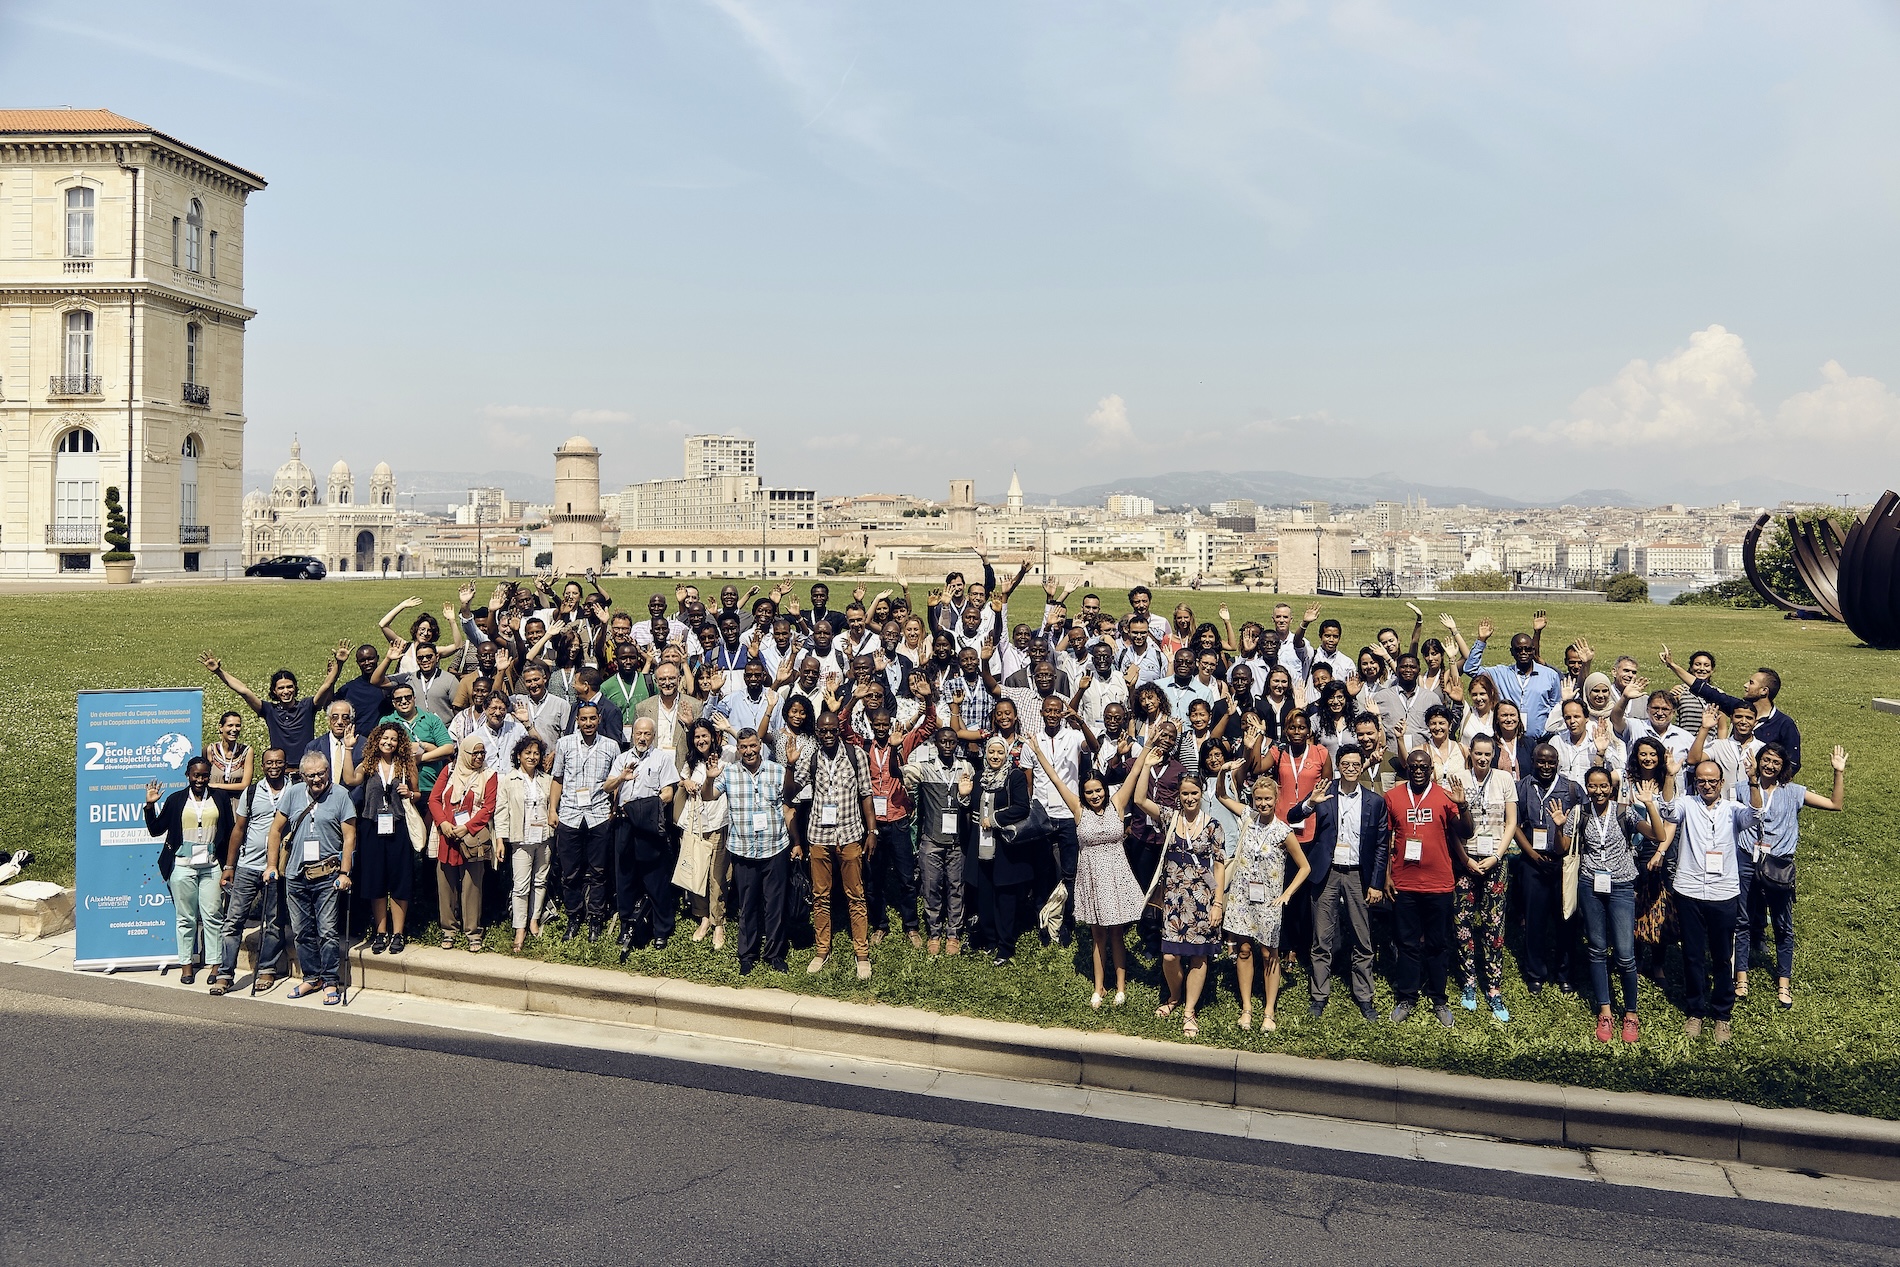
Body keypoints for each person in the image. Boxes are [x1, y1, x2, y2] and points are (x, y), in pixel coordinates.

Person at [1639, 760, 1758, 1043]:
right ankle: (1695, 1011)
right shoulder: (1687, 804)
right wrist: (1669, 775)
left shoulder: (1733, 810)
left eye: (1712, 781)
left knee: (1720, 956)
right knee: (1692, 955)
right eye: (1702, 781)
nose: (1707, 786)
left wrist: (1753, 781)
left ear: (1721, 783)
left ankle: (1722, 1015)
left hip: (1723, 893)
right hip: (1689, 890)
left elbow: (1754, 815)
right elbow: (1668, 810)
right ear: (1696, 783)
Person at [1029, 732, 1148, 1008]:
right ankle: (1099, 987)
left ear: (1105, 789)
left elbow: (1134, 774)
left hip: (1116, 874)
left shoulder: (1117, 804)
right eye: (1090, 791)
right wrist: (1038, 752)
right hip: (1092, 878)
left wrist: (1148, 744)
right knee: (1098, 936)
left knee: (1117, 934)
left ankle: (1120, 987)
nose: (1095, 795)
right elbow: (1057, 779)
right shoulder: (1078, 809)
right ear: (1083, 793)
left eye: (1099, 790)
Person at [1287, 744, 1387, 1022]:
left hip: (1358, 875)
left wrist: (1376, 883)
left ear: (1361, 766)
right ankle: (1319, 995)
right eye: (1346, 764)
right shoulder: (1325, 792)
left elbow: (1381, 845)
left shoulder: (1374, 801)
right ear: (1339, 765)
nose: (1351, 768)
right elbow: (1293, 817)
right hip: (1327, 872)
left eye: (1356, 764)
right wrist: (1310, 803)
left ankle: (1364, 997)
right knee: (1322, 938)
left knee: (1363, 938)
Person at [1746, 743, 1846, 1009]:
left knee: (1783, 927)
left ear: (1783, 767)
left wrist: (1838, 772)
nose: (1769, 765)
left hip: (1779, 866)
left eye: (1775, 762)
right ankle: (1740, 977)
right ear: (1757, 761)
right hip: (1747, 862)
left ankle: (1784, 983)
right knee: (1742, 921)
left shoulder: (1793, 792)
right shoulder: (1743, 788)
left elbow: (1835, 805)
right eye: (1765, 760)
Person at [1550, 766, 1644, 1043]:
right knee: (1597, 949)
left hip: (1622, 886)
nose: (1599, 791)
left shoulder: (1625, 811)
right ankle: (1605, 1011)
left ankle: (1631, 1013)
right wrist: (1558, 827)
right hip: (1590, 884)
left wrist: (1649, 805)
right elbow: (1562, 848)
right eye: (1593, 786)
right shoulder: (1579, 812)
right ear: (1586, 787)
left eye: (1603, 786)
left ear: (1611, 788)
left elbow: (1658, 834)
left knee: (1625, 954)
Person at [1134, 762, 1226, 1038]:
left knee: (1199, 957)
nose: (1189, 798)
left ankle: (1189, 1010)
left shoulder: (1213, 826)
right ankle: (1174, 996)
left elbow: (1219, 866)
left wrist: (1218, 903)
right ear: (1179, 795)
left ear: (1202, 793)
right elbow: (1139, 799)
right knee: (1171, 955)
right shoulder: (1170, 818)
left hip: (1202, 901)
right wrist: (1146, 764)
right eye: (1185, 793)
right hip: (1173, 901)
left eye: (1194, 793)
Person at [1383, 748, 1472, 1026]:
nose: (1418, 770)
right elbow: (1385, 840)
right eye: (1413, 766)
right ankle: (1407, 997)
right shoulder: (1393, 797)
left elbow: (1466, 832)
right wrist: (1386, 875)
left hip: (1439, 883)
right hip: (1404, 883)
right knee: (1407, 943)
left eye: (1424, 766)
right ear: (1407, 768)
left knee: (1437, 944)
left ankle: (1439, 998)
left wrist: (1463, 805)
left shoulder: (1445, 796)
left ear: (1431, 768)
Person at [1215, 775, 1309, 1032]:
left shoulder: (1283, 831)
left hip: (1269, 902)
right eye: (1259, 799)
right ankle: (1247, 1007)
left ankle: (1269, 1010)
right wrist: (1223, 771)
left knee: (1270, 954)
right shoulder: (1247, 817)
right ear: (1253, 799)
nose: (1263, 803)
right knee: (1244, 950)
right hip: (1242, 899)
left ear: (1276, 800)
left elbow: (1304, 867)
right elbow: (1221, 795)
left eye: (1268, 799)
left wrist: (1287, 893)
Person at [791, 710, 878, 979]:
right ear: (817, 732)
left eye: (832, 730)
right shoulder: (812, 757)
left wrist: (872, 830)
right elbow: (791, 792)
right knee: (820, 896)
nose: (828, 735)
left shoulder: (856, 756)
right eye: (823, 731)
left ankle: (861, 953)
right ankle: (822, 949)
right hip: (819, 836)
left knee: (856, 895)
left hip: (850, 835)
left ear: (839, 730)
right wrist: (790, 765)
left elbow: (866, 794)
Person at [267, 751, 356, 1005]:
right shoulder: (294, 793)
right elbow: (275, 830)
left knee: (327, 931)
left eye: (321, 773)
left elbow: (350, 836)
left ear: (328, 771)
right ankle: (311, 976)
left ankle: (330, 980)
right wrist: (271, 865)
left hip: (327, 874)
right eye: (311, 775)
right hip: (296, 873)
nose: (317, 779)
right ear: (302, 776)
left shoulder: (341, 795)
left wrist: (344, 872)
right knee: (302, 930)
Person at [706, 729, 794, 975]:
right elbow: (708, 795)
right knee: (747, 904)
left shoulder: (777, 771)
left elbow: (789, 798)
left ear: (760, 746)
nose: (749, 751)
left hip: (775, 846)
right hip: (743, 849)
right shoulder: (730, 772)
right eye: (743, 747)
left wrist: (791, 766)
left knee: (774, 904)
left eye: (753, 746)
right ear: (738, 748)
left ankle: (775, 954)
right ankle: (747, 954)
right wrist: (710, 778)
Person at [142, 756, 236, 985]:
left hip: (212, 865)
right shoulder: (176, 800)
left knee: (213, 916)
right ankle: (186, 966)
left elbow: (231, 830)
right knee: (186, 918)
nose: (201, 780)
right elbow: (156, 829)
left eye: (205, 775)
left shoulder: (220, 797)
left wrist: (229, 865)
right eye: (196, 775)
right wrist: (150, 805)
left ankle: (215, 965)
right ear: (188, 775)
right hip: (183, 866)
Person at [213, 748, 291, 994]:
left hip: (278, 867)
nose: (274, 766)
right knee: (233, 921)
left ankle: (267, 969)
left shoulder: (295, 789)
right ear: (262, 765)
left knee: (274, 922)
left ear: (285, 764)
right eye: (269, 762)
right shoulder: (253, 790)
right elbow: (239, 829)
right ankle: (225, 974)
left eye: (278, 762)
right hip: (248, 865)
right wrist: (229, 866)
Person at [1453, 733, 1516, 1020]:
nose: (1482, 759)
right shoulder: (1458, 778)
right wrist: (1464, 859)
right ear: (1471, 754)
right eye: (1478, 754)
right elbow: (1450, 825)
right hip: (1465, 860)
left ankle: (1493, 987)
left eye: (1487, 754)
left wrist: (1496, 857)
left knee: (1494, 925)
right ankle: (1468, 982)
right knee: (1463, 923)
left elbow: (1512, 822)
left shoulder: (1504, 779)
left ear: (1494, 755)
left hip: (1494, 860)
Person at [606, 716, 680, 953]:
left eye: (647, 734)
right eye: (639, 733)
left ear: (653, 736)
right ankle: (627, 926)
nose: (642, 738)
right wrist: (621, 778)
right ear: (632, 734)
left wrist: (645, 807)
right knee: (625, 877)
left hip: (649, 825)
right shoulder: (622, 759)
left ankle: (662, 930)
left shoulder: (661, 759)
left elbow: (668, 792)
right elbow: (607, 786)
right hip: (625, 824)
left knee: (655, 879)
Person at [1515, 742, 1584, 994]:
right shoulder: (1521, 787)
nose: (1546, 766)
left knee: (1566, 919)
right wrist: (1532, 854)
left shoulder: (1572, 789)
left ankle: (1565, 973)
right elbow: (1514, 825)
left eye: (1550, 762)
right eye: (1541, 761)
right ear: (1533, 761)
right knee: (1534, 920)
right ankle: (1536, 973)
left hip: (1564, 863)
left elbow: (1581, 824)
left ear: (1558, 763)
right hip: (1532, 862)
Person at [1661, 647, 1801, 771]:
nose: (1745, 685)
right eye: (1739, 718)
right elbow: (1704, 690)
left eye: (1751, 683)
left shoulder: (1784, 724)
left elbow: (1793, 764)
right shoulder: (1740, 709)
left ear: (1764, 691)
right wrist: (1672, 665)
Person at [548, 701, 620, 941]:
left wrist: (613, 809)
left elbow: (617, 782)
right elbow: (557, 778)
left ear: (599, 719)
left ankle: (595, 918)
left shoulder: (611, 746)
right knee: (570, 872)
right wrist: (552, 809)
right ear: (577, 720)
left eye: (592, 719)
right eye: (583, 719)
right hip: (569, 814)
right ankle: (573, 916)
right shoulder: (565, 744)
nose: (588, 723)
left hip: (598, 814)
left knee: (598, 871)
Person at [200, 647, 346, 763]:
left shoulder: (308, 706)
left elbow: (327, 685)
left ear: (295, 688)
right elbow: (243, 690)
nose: (286, 691)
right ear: (274, 691)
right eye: (281, 688)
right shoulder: (269, 710)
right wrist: (219, 672)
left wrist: (339, 664)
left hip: (305, 769)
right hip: (279, 771)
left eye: (289, 687)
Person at [903, 726, 974, 957]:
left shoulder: (966, 768)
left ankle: (953, 932)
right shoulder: (924, 769)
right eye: (943, 741)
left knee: (956, 887)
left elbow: (967, 804)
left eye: (952, 742)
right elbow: (899, 773)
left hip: (956, 841)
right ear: (935, 743)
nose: (947, 745)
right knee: (931, 888)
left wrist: (964, 795)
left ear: (956, 744)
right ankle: (934, 932)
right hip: (931, 839)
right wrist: (896, 747)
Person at [861, 708, 928, 948]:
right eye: (877, 724)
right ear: (871, 723)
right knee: (874, 879)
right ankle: (880, 925)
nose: (881, 727)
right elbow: (844, 728)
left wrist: (928, 701)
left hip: (898, 819)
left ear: (890, 724)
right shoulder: (864, 747)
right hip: (874, 824)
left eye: (884, 724)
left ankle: (911, 926)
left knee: (906, 878)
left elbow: (928, 725)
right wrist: (854, 700)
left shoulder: (901, 744)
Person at [430, 735, 499, 952]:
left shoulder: (489, 776)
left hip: (471, 838)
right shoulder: (450, 770)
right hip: (447, 836)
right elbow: (434, 799)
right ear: (464, 753)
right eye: (474, 753)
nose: (479, 757)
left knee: (472, 886)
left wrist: (466, 827)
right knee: (445, 884)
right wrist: (442, 823)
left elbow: (488, 807)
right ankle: (448, 930)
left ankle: (473, 932)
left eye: (482, 753)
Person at [355, 721, 419, 955]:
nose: (388, 742)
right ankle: (381, 932)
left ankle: (398, 933)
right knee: (376, 880)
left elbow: (417, 793)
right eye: (384, 738)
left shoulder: (406, 764)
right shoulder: (368, 764)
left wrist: (410, 793)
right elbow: (350, 780)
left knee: (399, 881)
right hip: (372, 826)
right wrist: (348, 748)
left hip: (397, 826)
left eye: (393, 738)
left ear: (399, 741)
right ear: (376, 740)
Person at [972, 734, 1036, 963]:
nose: (995, 756)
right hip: (981, 845)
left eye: (1000, 752)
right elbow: (971, 807)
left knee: (1005, 898)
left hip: (1005, 848)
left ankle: (1005, 946)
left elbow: (1022, 807)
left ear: (1006, 754)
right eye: (991, 752)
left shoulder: (1015, 777)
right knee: (985, 894)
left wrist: (995, 818)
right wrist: (963, 795)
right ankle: (990, 940)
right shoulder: (979, 777)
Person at [672, 720, 730, 948]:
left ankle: (718, 923)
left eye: (705, 736)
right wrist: (685, 782)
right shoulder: (691, 760)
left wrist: (727, 729)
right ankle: (703, 918)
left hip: (716, 823)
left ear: (713, 736)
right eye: (697, 737)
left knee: (717, 877)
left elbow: (748, 742)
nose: (701, 741)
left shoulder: (725, 757)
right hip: (693, 825)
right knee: (697, 873)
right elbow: (680, 778)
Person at [495, 735, 554, 953]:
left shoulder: (546, 780)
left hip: (544, 838)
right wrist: (500, 839)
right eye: (527, 753)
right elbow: (501, 812)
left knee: (540, 881)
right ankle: (519, 927)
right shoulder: (509, 780)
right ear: (519, 755)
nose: (532, 757)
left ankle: (534, 920)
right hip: (521, 839)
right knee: (520, 886)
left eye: (536, 753)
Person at [1459, 622, 1563, 741]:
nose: (1523, 652)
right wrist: (1481, 640)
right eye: (1519, 649)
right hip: (1508, 739)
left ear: (1533, 650)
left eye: (1527, 649)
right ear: (1512, 652)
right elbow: (1470, 669)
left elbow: (1554, 706)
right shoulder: (1501, 674)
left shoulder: (1550, 675)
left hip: (1539, 740)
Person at [206, 711, 252, 794]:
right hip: (215, 801)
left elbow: (245, 785)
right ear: (221, 727)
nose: (234, 729)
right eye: (230, 725)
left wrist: (216, 786)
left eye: (237, 726)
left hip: (236, 802)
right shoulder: (210, 750)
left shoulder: (246, 751)